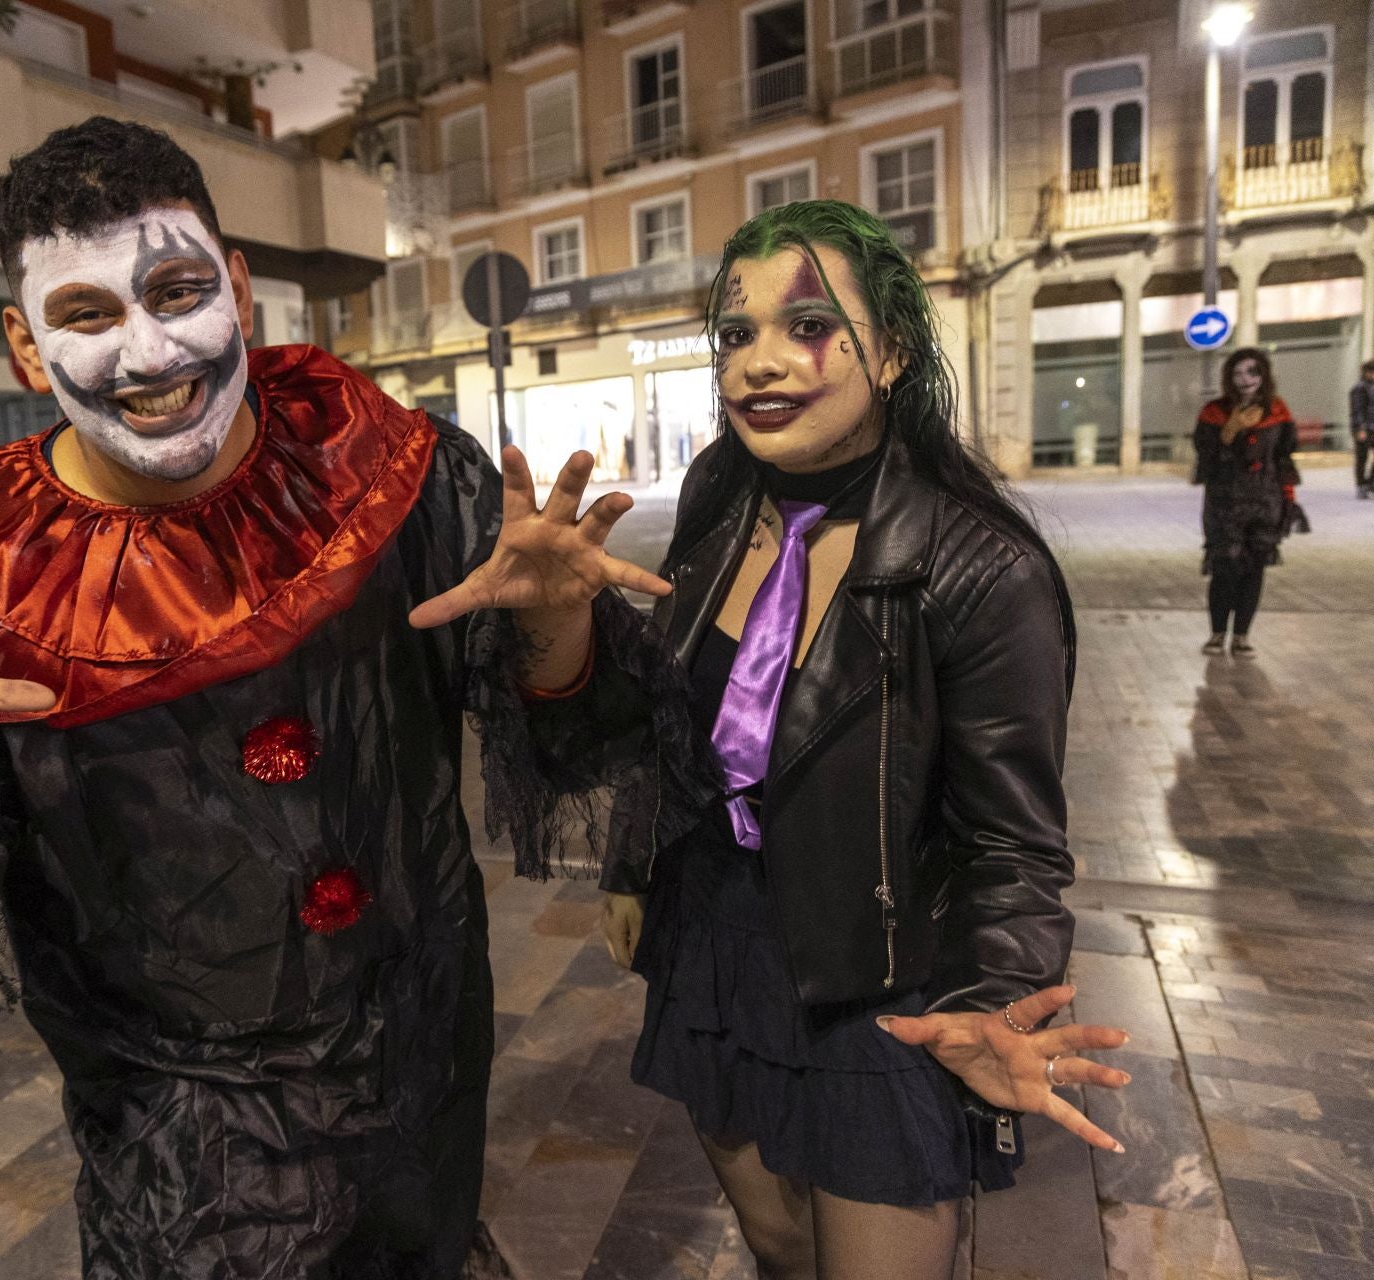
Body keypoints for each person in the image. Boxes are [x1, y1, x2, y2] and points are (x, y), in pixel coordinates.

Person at [0, 118, 548, 1279]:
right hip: (182, 1149)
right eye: (88, 314)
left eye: (178, 290)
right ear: (21, 343)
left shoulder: (381, 465)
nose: (149, 354)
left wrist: (557, 619)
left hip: (428, 1065)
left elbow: (557, 724)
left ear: (241, 290)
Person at [417, 201, 1130, 1280]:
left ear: (889, 350)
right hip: (718, 937)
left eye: (806, 326)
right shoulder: (715, 492)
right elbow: (665, 724)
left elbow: (1016, 845)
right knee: (782, 1245)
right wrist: (561, 642)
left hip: (879, 972)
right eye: (736, 335)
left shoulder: (983, 568)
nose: (759, 363)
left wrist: (990, 998)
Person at [1193, 347, 1299, 657]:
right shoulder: (1214, 412)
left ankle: (1241, 635)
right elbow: (1206, 460)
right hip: (1225, 505)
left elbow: (1284, 459)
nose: (1246, 379)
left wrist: (1288, 499)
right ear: (1230, 377)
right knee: (1224, 568)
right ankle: (1216, 633)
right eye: (1238, 373)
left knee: (1254, 569)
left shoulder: (1277, 412)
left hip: (1265, 503)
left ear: (1263, 375)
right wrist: (1230, 431)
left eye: (1252, 372)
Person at [1351, 358, 1373, 499]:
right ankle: (1361, 485)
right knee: (1362, 458)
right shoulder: (1359, 388)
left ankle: (1371, 483)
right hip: (1364, 428)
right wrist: (1361, 428)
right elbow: (1357, 410)